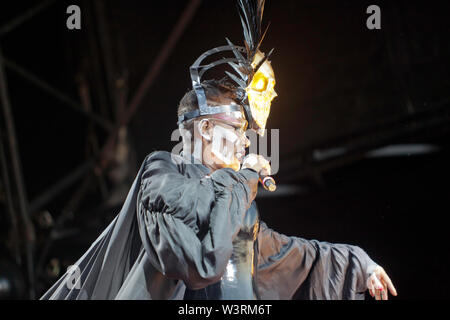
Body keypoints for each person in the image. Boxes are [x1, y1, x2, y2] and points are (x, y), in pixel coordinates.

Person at [41, 0, 397, 300]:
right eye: (238, 130)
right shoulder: (161, 174)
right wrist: (242, 179)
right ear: (206, 127)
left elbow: (292, 255)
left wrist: (360, 264)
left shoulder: (239, 206)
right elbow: (202, 262)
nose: (246, 141)